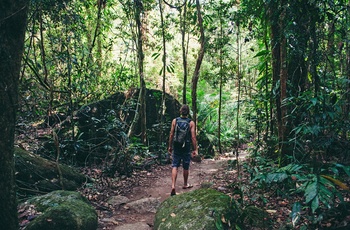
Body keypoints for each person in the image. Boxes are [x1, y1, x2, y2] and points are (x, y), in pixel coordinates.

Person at [168, 104, 198, 196]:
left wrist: (170, 146)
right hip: (186, 145)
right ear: (188, 112)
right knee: (186, 165)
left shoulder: (175, 121)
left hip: (176, 144)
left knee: (175, 165)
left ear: (180, 111)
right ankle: (185, 184)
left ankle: (173, 186)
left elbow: (171, 134)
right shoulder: (191, 123)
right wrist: (195, 149)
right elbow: (193, 137)